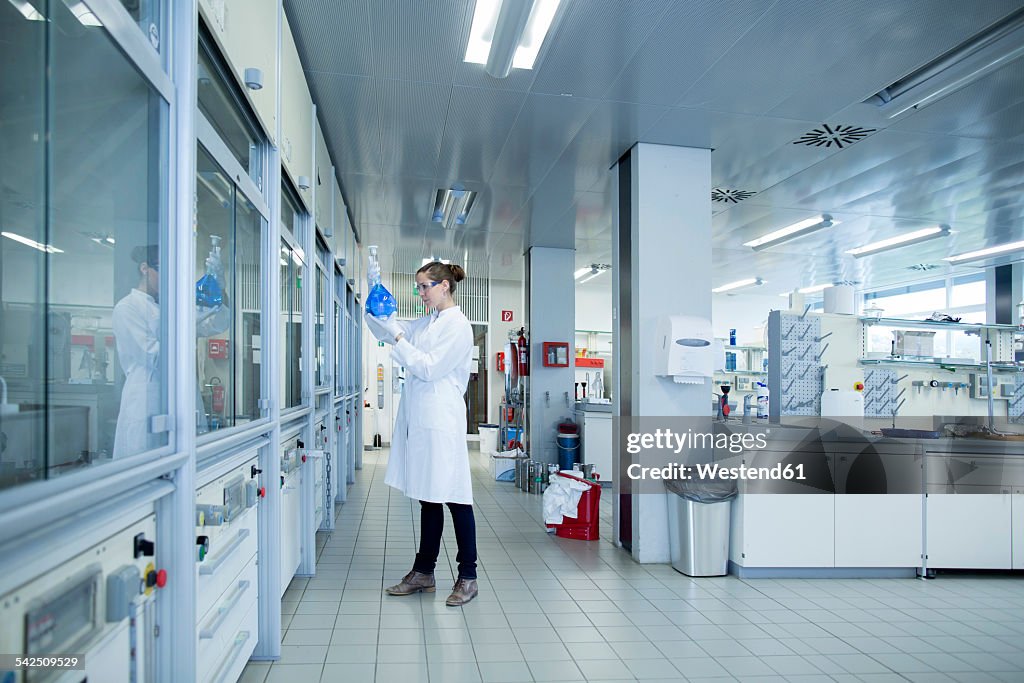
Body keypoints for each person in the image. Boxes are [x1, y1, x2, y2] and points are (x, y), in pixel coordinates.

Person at [365, 261, 478, 606]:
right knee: (429, 495)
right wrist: (374, 301)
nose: (421, 293)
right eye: (418, 287)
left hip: (442, 420)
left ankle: (468, 576)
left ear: (445, 286)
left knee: (456, 496)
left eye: (425, 286)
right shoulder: (428, 322)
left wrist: (399, 336)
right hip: (423, 418)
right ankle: (424, 572)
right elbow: (387, 330)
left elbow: (428, 367)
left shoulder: (458, 326)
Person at [112, 244, 231, 458]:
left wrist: (220, 289)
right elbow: (155, 357)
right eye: (163, 270)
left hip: (182, 401)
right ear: (144, 268)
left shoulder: (172, 308)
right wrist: (185, 325)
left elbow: (219, 324)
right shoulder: (127, 308)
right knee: (144, 472)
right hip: (146, 404)